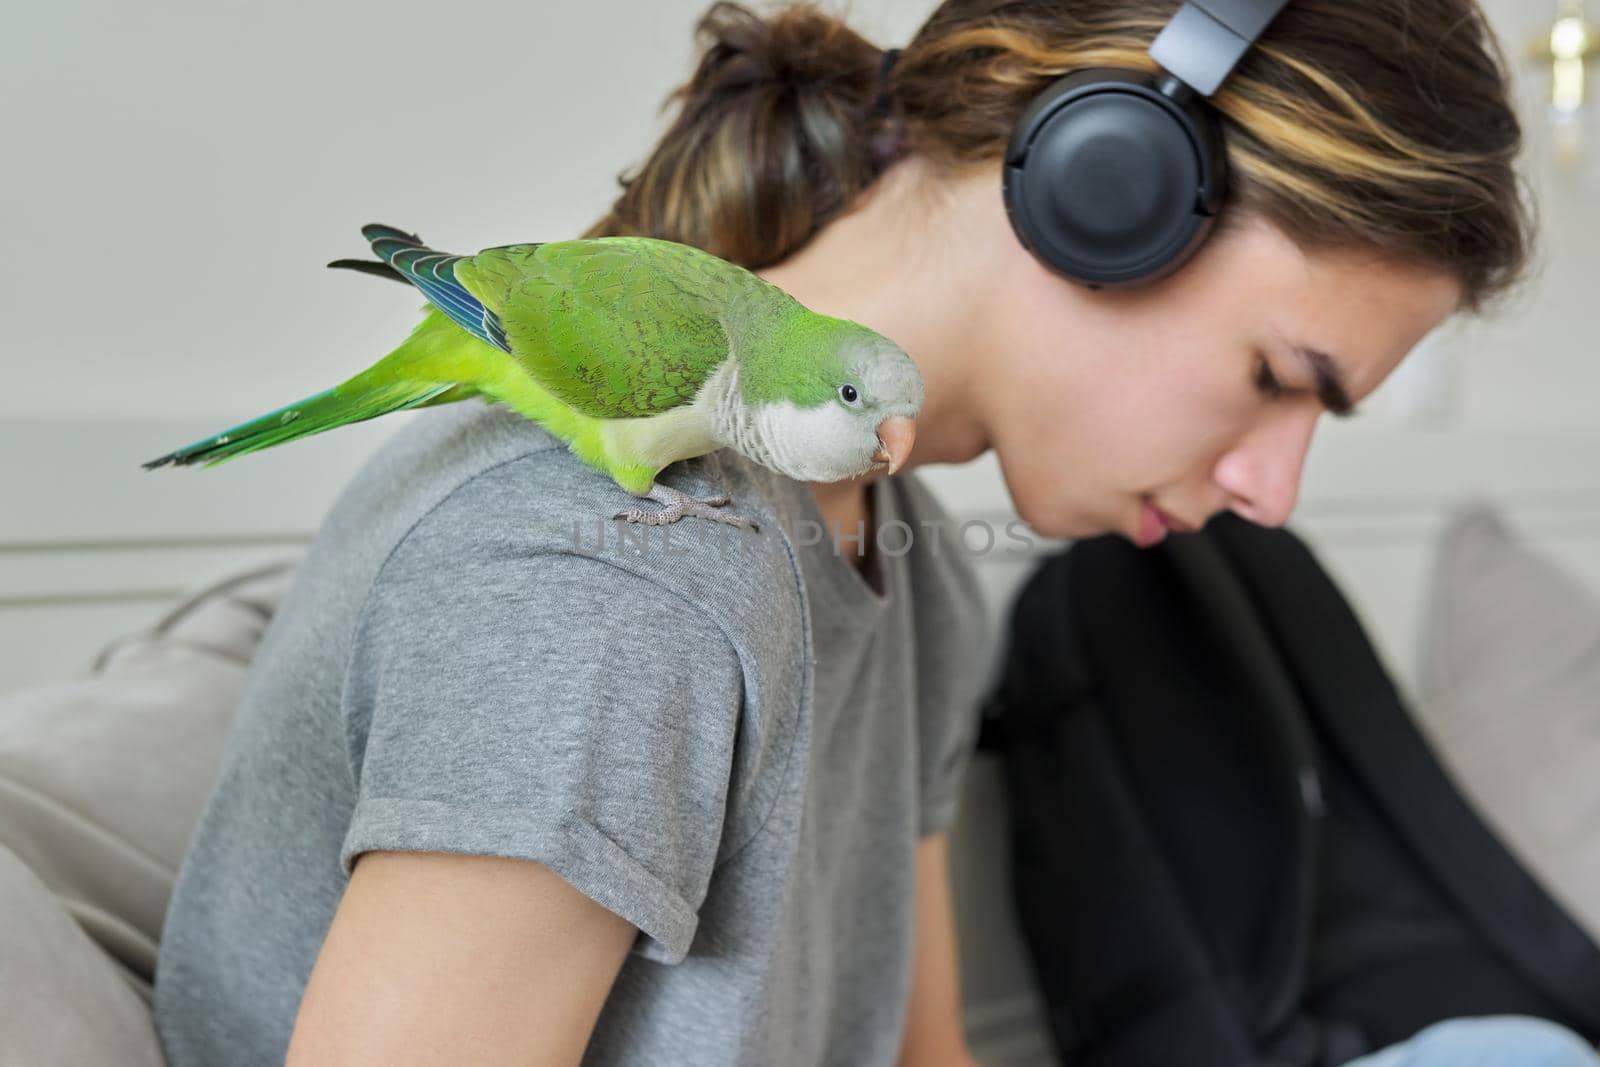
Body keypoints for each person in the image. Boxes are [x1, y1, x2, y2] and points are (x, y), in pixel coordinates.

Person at [148, 1, 1599, 1066]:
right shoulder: (613, 583)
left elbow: (921, 1055)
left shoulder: (912, 569)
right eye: (1282, 379)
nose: (1274, 495)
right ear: (1111, 190)